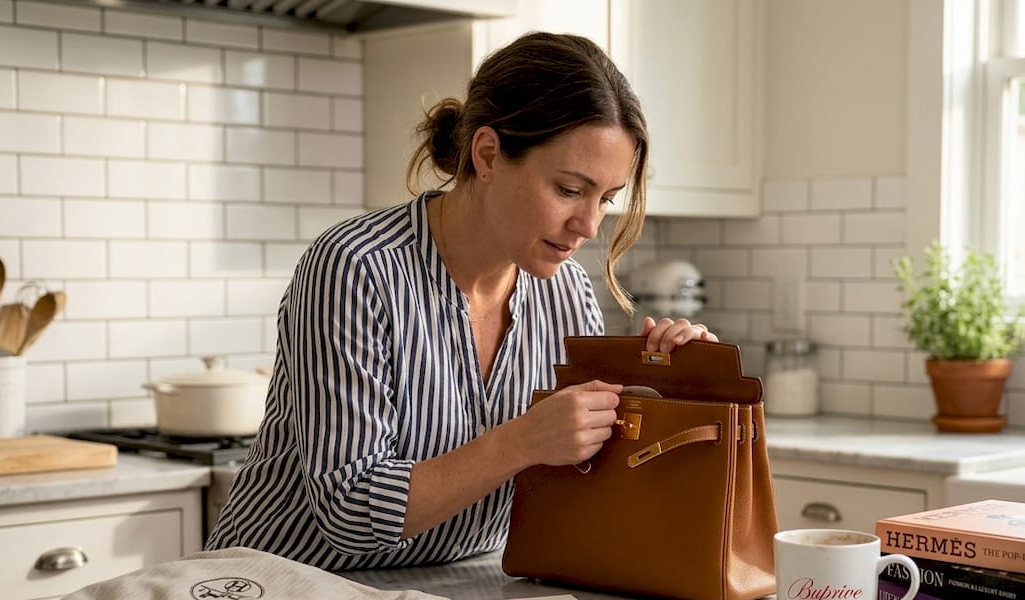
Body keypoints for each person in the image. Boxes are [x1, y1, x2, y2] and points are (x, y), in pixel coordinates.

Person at [205, 32, 717, 570]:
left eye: (606, 199)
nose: (589, 225)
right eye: (569, 190)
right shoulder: (356, 269)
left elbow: (579, 480)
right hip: (279, 597)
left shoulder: (566, 290)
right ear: (489, 154)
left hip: (449, 598)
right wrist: (521, 441)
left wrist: (670, 391)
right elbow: (350, 512)